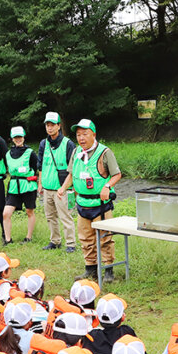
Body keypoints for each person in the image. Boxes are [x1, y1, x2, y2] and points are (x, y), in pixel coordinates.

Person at [57, 119, 122, 281]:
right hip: (83, 203)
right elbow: (71, 174)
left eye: (85, 134)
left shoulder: (105, 153)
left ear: (93, 134)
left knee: (105, 237)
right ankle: (90, 268)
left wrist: (107, 186)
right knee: (86, 238)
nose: (81, 138)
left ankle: (108, 271)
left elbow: (117, 174)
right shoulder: (77, 152)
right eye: (78, 135)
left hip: (101, 205)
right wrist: (63, 188)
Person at [38, 112, 77, 253]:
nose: (50, 128)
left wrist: (68, 187)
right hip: (47, 187)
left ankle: (71, 243)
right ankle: (55, 241)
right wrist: (40, 183)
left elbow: (73, 168)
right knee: (50, 217)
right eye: (47, 125)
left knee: (65, 216)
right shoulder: (43, 143)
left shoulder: (68, 144)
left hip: (62, 188)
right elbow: (40, 164)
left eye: (52, 125)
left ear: (59, 126)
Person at [1, 126, 40, 245]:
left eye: (20, 137)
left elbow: (37, 169)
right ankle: (8, 240)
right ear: (12, 139)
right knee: (6, 213)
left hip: (28, 186)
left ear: (23, 137)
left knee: (29, 211)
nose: (18, 139)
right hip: (14, 186)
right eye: (16, 137)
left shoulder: (30, 153)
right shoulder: (8, 154)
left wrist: (39, 184)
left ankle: (28, 237)